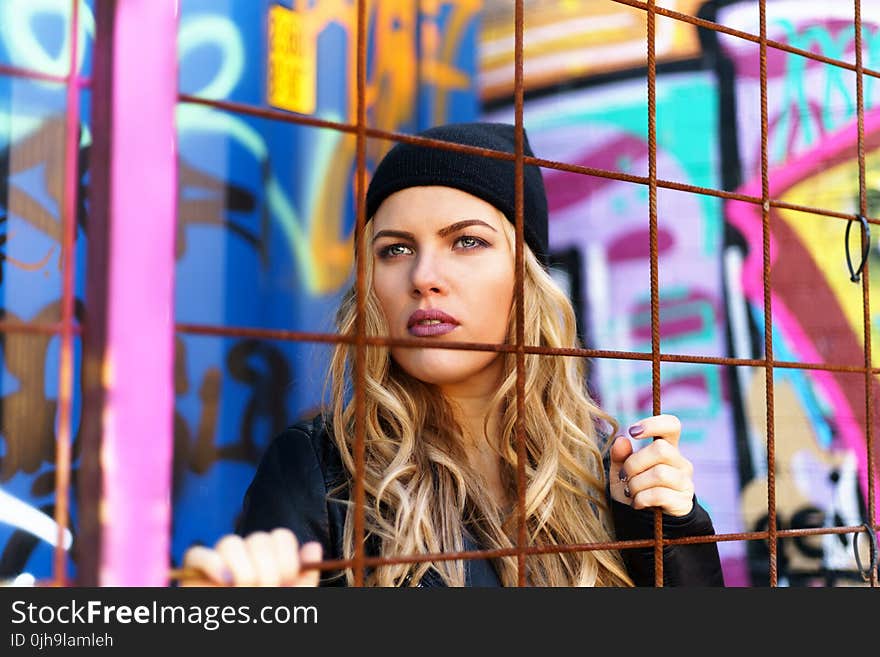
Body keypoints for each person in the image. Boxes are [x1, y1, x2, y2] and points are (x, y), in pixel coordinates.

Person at [180, 122, 725, 587]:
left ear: (526, 277)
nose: (424, 278)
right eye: (395, 250)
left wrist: (675, 532)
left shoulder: (604, 470)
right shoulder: (319, 471)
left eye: (466, 241)